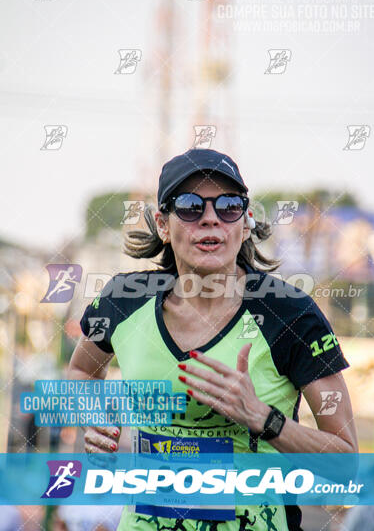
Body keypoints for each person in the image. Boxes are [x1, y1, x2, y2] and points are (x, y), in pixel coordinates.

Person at [68, 148, 358, 530]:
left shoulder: (291, 315)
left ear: (245, 221)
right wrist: (95, 420)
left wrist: (264, 419)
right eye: (189, 206)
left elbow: (344, 465)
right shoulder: (123, 301)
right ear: (163, 224)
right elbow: (81, 372)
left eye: (228, 206)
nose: (210, 219)